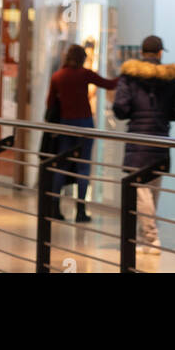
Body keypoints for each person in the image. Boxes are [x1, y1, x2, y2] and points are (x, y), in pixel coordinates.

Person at [112, 35, 175, 254]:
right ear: (160, 53)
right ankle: (144, 237)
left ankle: (151, 238)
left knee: (142, 192)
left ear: (142, 53)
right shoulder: (172, 80)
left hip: (137, 141)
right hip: (160, 140)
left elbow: (120, 109)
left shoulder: (129, 78)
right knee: (152, 191)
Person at [45, 44, 118, 222]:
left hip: (65, 124)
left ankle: (55, 208)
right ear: (82, 58)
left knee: (61, 166)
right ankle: (80, 210)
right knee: (83, 167)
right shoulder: (85, 74)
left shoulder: (57, 76)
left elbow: (50, 103)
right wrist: (126, 75)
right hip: (85, 123)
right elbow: (109, 84)